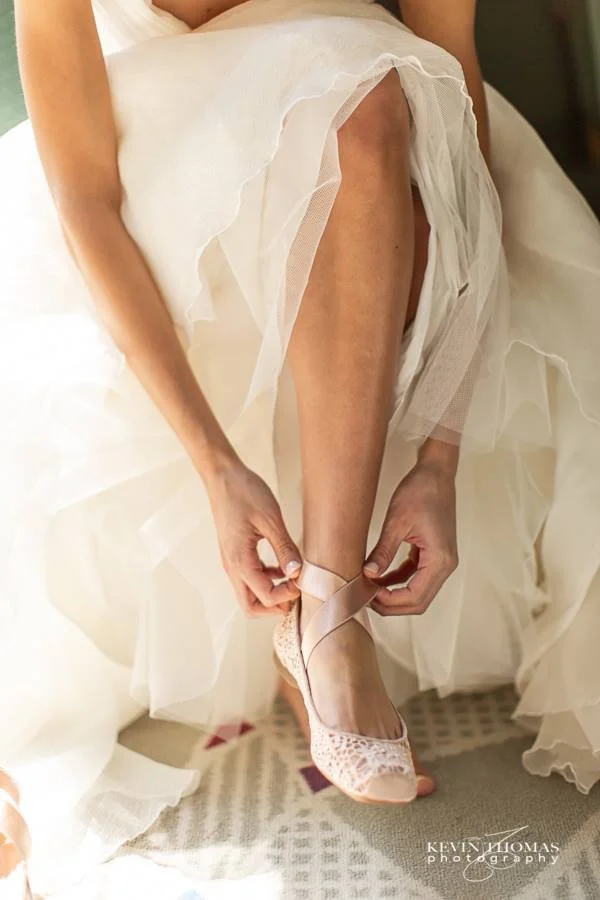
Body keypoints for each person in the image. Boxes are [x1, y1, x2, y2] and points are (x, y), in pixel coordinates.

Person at [1, 0, 600, 893]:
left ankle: (327, 607)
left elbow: (460, 146)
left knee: (370, 94)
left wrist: (441, 452)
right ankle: (321, 623)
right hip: (155, 187)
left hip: (387, 160)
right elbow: (86, 201)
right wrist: (216, 467)